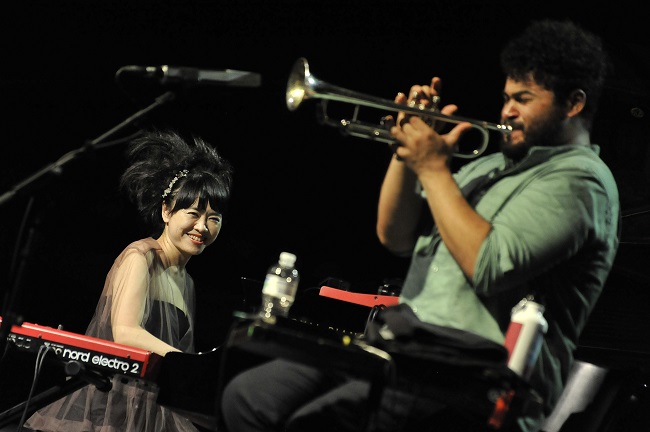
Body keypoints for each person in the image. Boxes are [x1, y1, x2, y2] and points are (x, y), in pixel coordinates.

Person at [219, 18, 620, 432]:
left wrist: (432, 168)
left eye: (523, 99)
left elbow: (488, 265)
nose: (507, 111)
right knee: (249, 398)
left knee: (316, 424)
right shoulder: (489, 167)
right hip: (403, 348)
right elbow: (395, 236)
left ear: (573, 104)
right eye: (506, 98)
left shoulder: (580, 181)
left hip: (471, 379)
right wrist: (407, 149)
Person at [23, 129, 234, 432]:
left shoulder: (187, 282)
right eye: (193, 213)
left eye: (214, 218)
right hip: (109, 405)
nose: (202, 226)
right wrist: (188, 366)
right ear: (166, 211)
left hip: (151, 410)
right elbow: (126, 333)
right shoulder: (140, 257)